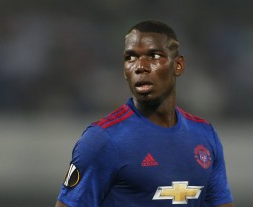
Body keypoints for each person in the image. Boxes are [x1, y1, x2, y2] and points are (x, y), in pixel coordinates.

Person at [54, 20, 234, 207]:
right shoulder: (102, 140)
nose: (140, 66)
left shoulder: (205, 136)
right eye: (130, 57)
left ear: (178, 65)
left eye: (154, 55)